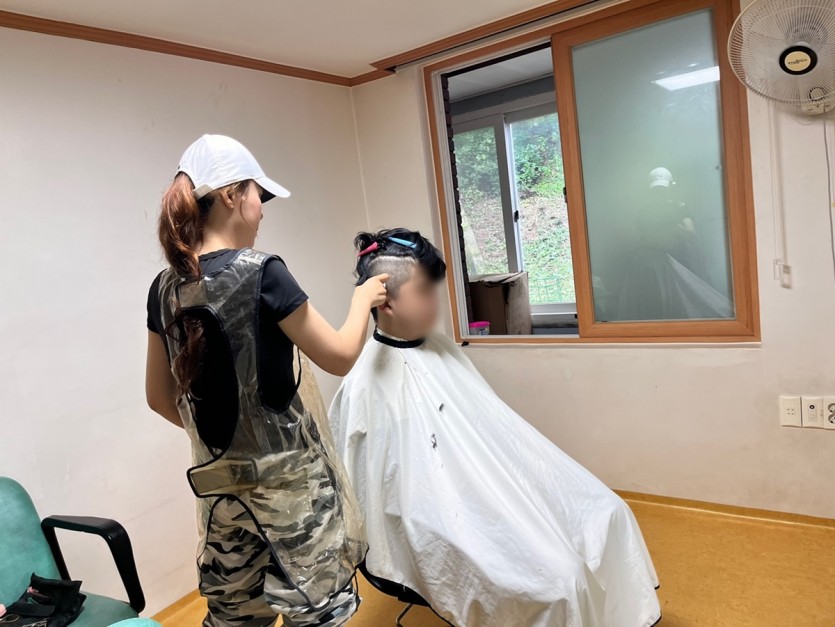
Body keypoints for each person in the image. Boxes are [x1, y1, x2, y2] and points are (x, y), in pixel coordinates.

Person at [329, 228, 662, 627]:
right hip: (446, 508)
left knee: (608, 512)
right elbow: (385, 493)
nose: (437, 301)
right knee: (560, 579)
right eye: (425, 291)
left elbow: (490, 430)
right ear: (385, 301)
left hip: (494, 480)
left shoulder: (439, 348)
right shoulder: (366, 384)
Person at [144, 134, 389, 627]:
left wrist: (232, 446)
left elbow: (159, 399)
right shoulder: (264, 273)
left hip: (221, 496)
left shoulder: (164, 287)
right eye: (259, 195)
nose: (262, 210)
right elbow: (340, 356)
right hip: (292, 494)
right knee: (315, 611)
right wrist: (363, 299)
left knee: (236, 617)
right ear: (231, 195)